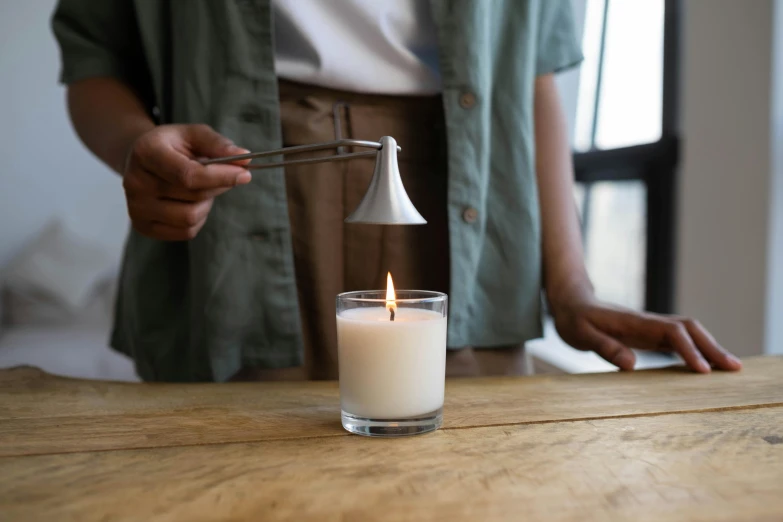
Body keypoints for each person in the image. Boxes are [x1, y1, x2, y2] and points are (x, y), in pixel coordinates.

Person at [51, 0, 741, 382]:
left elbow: (530, 74)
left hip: (469, 204)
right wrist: (135, 150)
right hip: (244, 211)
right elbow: (95, 54)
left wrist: (571, 286)